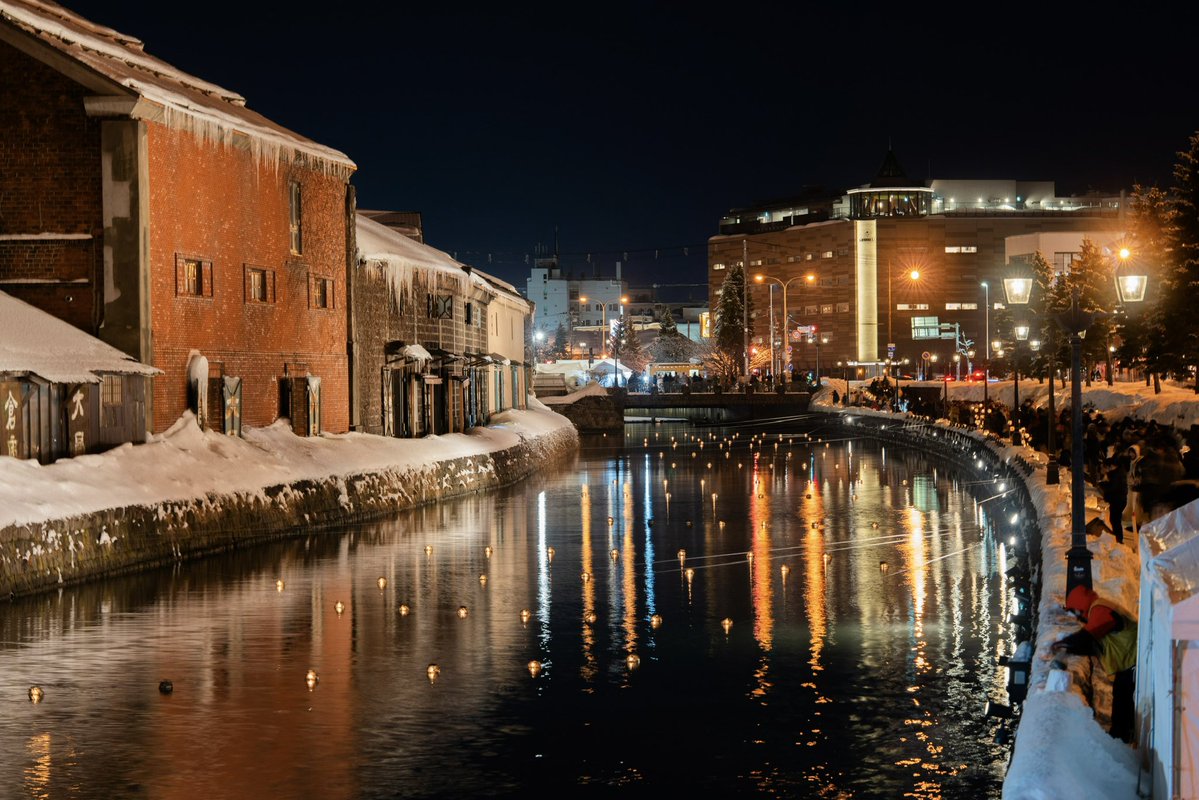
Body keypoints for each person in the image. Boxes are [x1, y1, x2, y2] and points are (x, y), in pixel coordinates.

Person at [1052, 585, 1137, 742]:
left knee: (1125, 703)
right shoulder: (1098, 609)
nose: (1076, 617)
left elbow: (1087, 636)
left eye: (1075, 612)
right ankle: (1120, 737)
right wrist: (1068, 648)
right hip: (1128, 662)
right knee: (1121, 700)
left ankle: (1122, 739)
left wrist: (1064, 643)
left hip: (1134, 661)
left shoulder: (1100, 610)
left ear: (1080, 606)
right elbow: (1093, 645)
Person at [1098, 455, 1129, 544]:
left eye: (1106, 467)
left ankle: (1119, 539)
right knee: (1115, 520)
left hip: (1118, 499)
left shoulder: (1117, 474)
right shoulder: (1117, 473)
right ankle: (1118, 538)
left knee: (1115, 520)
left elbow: (1112, 487)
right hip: (1118, 499)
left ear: (1110, 466)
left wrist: (1102, 484)